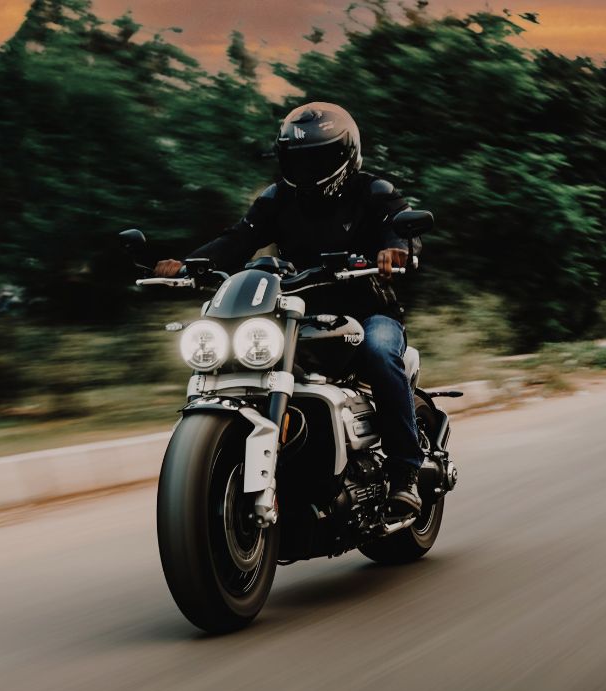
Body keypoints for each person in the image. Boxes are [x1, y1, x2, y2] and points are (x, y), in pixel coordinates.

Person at [154, 102, 425, 517]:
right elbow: (236, 241)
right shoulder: (277, 199)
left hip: (368, 310)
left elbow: (398, 226)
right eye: (298, 158)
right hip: (295, 313)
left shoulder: (373, 192)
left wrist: (396, 249)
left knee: (378, 351)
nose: (308, 167)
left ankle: (406, 473)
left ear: (345, 155)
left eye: (319, 157)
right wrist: (188, 265)